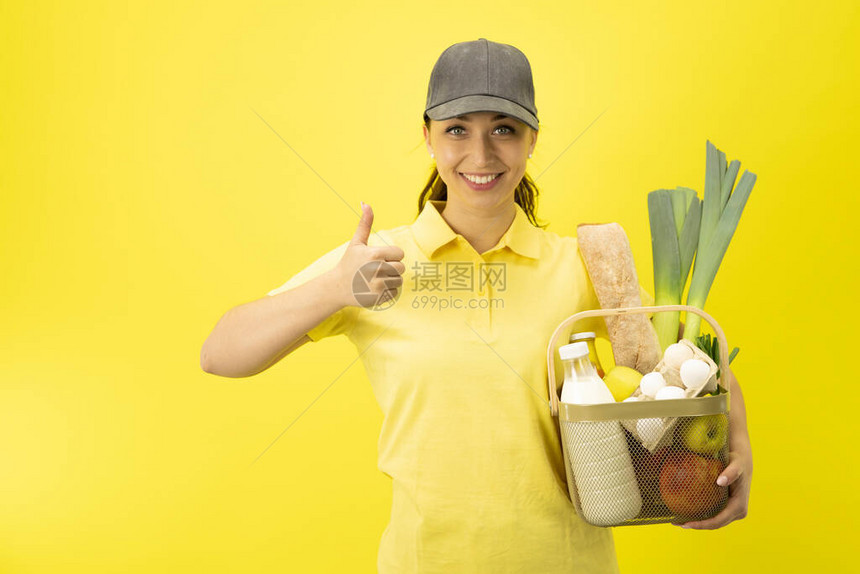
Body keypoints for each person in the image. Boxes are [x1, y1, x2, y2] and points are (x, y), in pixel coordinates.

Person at [200, 38, 752, 573]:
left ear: (532, 139)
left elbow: (683, 365)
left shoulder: (580, 266)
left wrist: (741, 446)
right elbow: (221, 353)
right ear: (428, 136)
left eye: (504, 131)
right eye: (457, 130)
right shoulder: (372, 265)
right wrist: (333, 289)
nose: (481, 155)